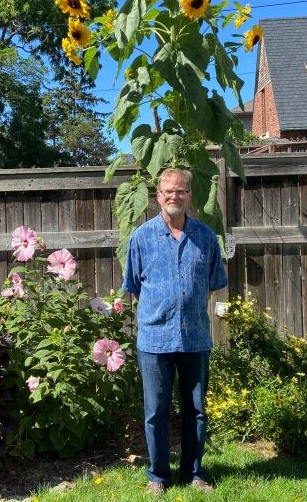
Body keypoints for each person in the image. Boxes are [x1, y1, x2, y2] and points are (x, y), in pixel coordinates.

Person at [122, 168, 228, 495]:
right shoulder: (140, 238)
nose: (174, 196)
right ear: (158, 196)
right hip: (154, 341)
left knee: (195, 409)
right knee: (156, 411)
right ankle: (157, 476)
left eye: (181, 191)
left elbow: (212, 284)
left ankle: (194, 472)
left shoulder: (206, 238)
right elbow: (135, 287)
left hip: (195, 338)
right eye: (168, 191)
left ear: (189, 196)